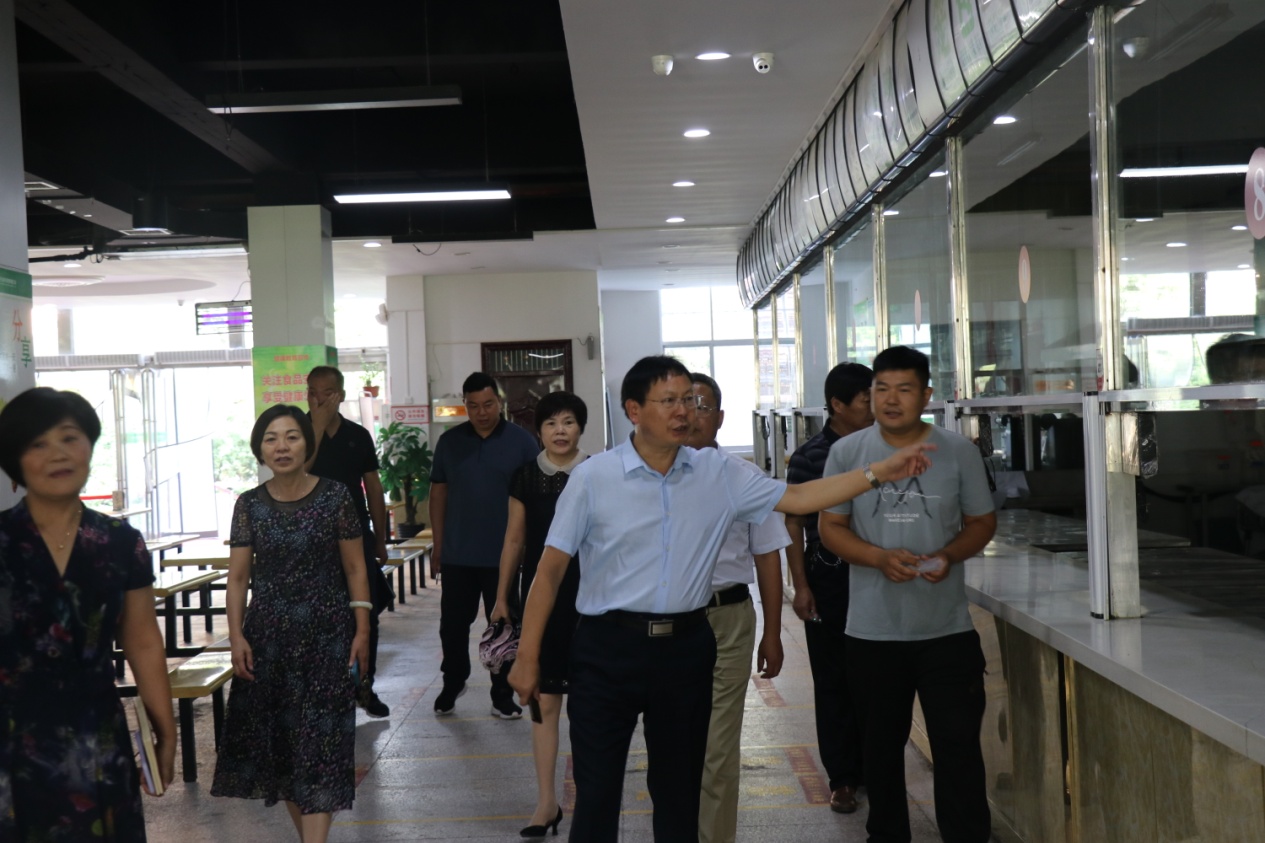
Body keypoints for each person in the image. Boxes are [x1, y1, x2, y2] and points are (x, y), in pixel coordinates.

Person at [507, 355, 934, 843]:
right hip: (607, 649)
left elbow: (799, 499)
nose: (683, 411)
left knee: (680, 793)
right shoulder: (594, 477)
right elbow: (549, 571)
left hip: (686, 649)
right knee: (598, 792)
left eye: (688, 400)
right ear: (633, 410)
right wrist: (527, 655)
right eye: (668, 401)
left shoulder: (720, 473)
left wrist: (878, 472)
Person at [818, 346, 997, 843]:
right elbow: (830, 527)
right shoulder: (847, 453)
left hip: (946, 631)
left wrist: (949, 555)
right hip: (872, 633)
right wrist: (877, 557)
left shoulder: (957, 451)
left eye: (904, 389)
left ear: (926, 395)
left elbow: (982, 522)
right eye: (881, 389)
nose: (891, 399)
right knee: (879, 751)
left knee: (958, 747)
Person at [0, 387, 176, 841]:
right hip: (11, 740)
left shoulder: (120, 542)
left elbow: (142, 640)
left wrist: (165, 730)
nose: (58, 454)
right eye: (38, 443)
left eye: (69, 437)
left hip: (97, 738)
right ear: (15, 459)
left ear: (90, 446)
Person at [211, 405, 371, 843]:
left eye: (292, 437)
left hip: (328, 638)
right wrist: (236, 636)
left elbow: (355, 568)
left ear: (307, 445)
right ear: (259, 449)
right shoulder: (249, 505)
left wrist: (362, 630)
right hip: (269, 641)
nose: (281, 447)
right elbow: (238, 578)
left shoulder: (335, 497)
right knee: (285, 752)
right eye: (271, 438)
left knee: (321, 746)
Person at [686, 373, 790, 843]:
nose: (692, 414)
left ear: (720, 418)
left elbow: (767, 556)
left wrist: (773, 633)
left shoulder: (745, 478)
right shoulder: (651, 479)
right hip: (667, 624)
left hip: (727, 620)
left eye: (703, 405)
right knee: (673, 743)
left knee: (719, 746)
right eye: (683, 404)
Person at [490, 391, 589, 839]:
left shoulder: (597, 472)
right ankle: (546, 802)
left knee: (589, 704)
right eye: (551, 424)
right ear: (539, 431)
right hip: (542, 598)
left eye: (568, 422)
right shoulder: (525, 476)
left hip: (590, 597)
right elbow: (515, 540)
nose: (560, 431)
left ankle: (589, 800)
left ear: (580, 428)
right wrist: (502, 596)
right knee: (543, 700)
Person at [783, 361, 873, 814]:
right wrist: (800, 586)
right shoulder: (810, 457)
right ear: (837, 404)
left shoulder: (886, 449)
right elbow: (793, 525)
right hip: (831, 578)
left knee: (876, 679)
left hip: (878, 577)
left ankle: (876, 769)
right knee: (833, 679)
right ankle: (843, 778)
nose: (876, 407)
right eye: (866, 400)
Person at [429, 372, 540, 718]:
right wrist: (438, 544)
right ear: (465, 405)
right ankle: (453, 681)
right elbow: (438, 493)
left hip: (504, 555)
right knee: (452, 624)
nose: (481, 412)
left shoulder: (522, 442)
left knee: (504, 626)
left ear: (500, 402)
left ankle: (501, 694)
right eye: (473, 405)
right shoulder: (450, 443)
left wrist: (529, 546)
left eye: (488, 404)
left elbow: (534, 498)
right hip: (458, 552)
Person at [305, 365, 393, 718]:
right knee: (318, 620)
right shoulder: (298, 433)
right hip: (312, 544)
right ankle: (324, 694)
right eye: (312, 392)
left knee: (365, 615)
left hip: (357, 540)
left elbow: (373, 487)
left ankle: (364, 687)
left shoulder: (357, 435)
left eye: (326, 393)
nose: (318, 399)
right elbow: (300, 469)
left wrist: (381, 539)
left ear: (339, 395)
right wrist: (316, 425)